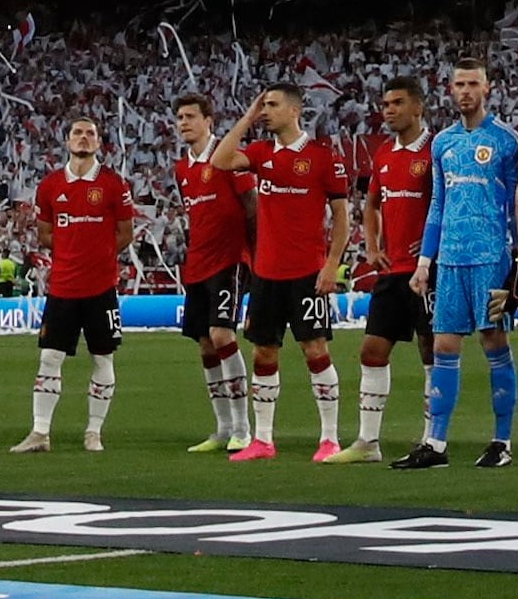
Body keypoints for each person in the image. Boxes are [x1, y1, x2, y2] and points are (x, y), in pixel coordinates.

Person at [215, 81, 350, 462]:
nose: (265, 111)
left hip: (308, 273)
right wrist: (247, 116)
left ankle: (329, 438)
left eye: (272, 105)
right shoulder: (259, 153)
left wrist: (331, 265)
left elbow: (341, 217)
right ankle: (263, 440)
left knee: (315, 349)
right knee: (263, 352)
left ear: (295, 110)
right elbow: (220, 161)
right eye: (263, 105)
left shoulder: (324, 158)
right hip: (266, 274)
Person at [406, 55, 518, 469]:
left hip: (491, 257)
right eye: (459, 85)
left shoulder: (506, 141)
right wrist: (425, 260)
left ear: (487, 88)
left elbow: (517, 203)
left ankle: (502, 440)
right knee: (442, 344)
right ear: (450, 89)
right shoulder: (442, 143)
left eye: (473, 84)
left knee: (494, 343)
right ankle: (436, 444)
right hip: (451, 259)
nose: (465, 92)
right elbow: (437, 204)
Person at [26, 113, 134, 455]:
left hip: (101, 287)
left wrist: (97, 255)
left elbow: (125, 234)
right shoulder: (50, 185)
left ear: (99, 142)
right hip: (62, 287)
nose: (83, 138)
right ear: (68, 140)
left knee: (103, 359)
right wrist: (73, 250)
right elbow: (44, 233)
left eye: (90, 133)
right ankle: (40, 433)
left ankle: (93, 432)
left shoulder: (114, 184)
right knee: (49, 358)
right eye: (77, 132)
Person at [345, 78, 440, 464]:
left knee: (431, 350)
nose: (389, 110)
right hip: (392, 269)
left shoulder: (436, 149)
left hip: (427, 269)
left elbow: (446, 204)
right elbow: (371, 204)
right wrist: (372, 245)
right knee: (372, 349)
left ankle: (433, 438)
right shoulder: (383, 153)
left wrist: (431, 251)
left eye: (397, 103)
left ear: (418, 107)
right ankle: (368, 442)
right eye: (385, 103)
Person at [168, 98, 251, 454]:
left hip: (229, 260)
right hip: (197, 264)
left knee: (221, 333)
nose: (183, 123)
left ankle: (243, 427)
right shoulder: (181, 168)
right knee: (204, 342)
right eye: (179, 118)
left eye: (190, 117)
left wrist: (256, 255)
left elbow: (252, 208)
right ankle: (222, 427)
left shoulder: (229, 157)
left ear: (208, 120)